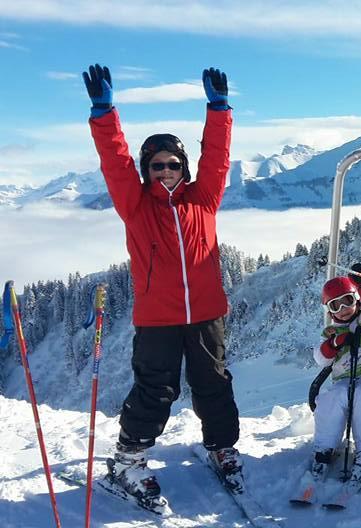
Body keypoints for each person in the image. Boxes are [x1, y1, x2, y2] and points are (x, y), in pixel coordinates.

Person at [84, 63, 240, 504]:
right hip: (157, 319)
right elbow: (115, 164)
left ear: (183, 167)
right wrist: (104, 114)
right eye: (156, 166)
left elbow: (217, 159)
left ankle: (222, 447)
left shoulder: (203, 199)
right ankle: (127, 459)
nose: (165, 171)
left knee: (213, 383)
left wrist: (219, 110)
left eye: (173, 164)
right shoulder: (136, 206)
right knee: (156, 389)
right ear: (147, 171)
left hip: (206, 313)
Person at [311, 264, 361, 484]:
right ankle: (324, 449)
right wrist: (333, 344)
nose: (344, 308)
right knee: (330, 399)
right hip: (344, 380)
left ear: (356, 300)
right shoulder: (331, 332)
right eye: (336, 305)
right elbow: (320, 358)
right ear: (329, 311)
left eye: (348, 300)